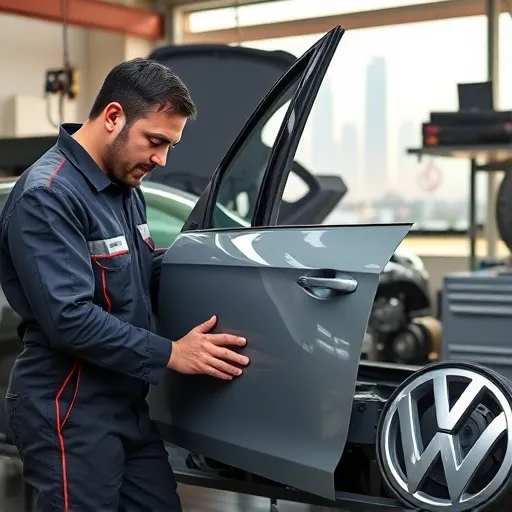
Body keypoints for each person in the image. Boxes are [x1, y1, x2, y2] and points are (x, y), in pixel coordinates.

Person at [0, 58, 250, 511]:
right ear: (113, 117)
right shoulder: (49, 194)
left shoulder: (124, 188)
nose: (161, 159)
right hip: (68, 407)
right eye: (155, 141)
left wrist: (224, 274)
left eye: (170, 145)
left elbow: (143, 270)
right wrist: (174, 353)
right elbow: (69, 319)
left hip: (125, 402)